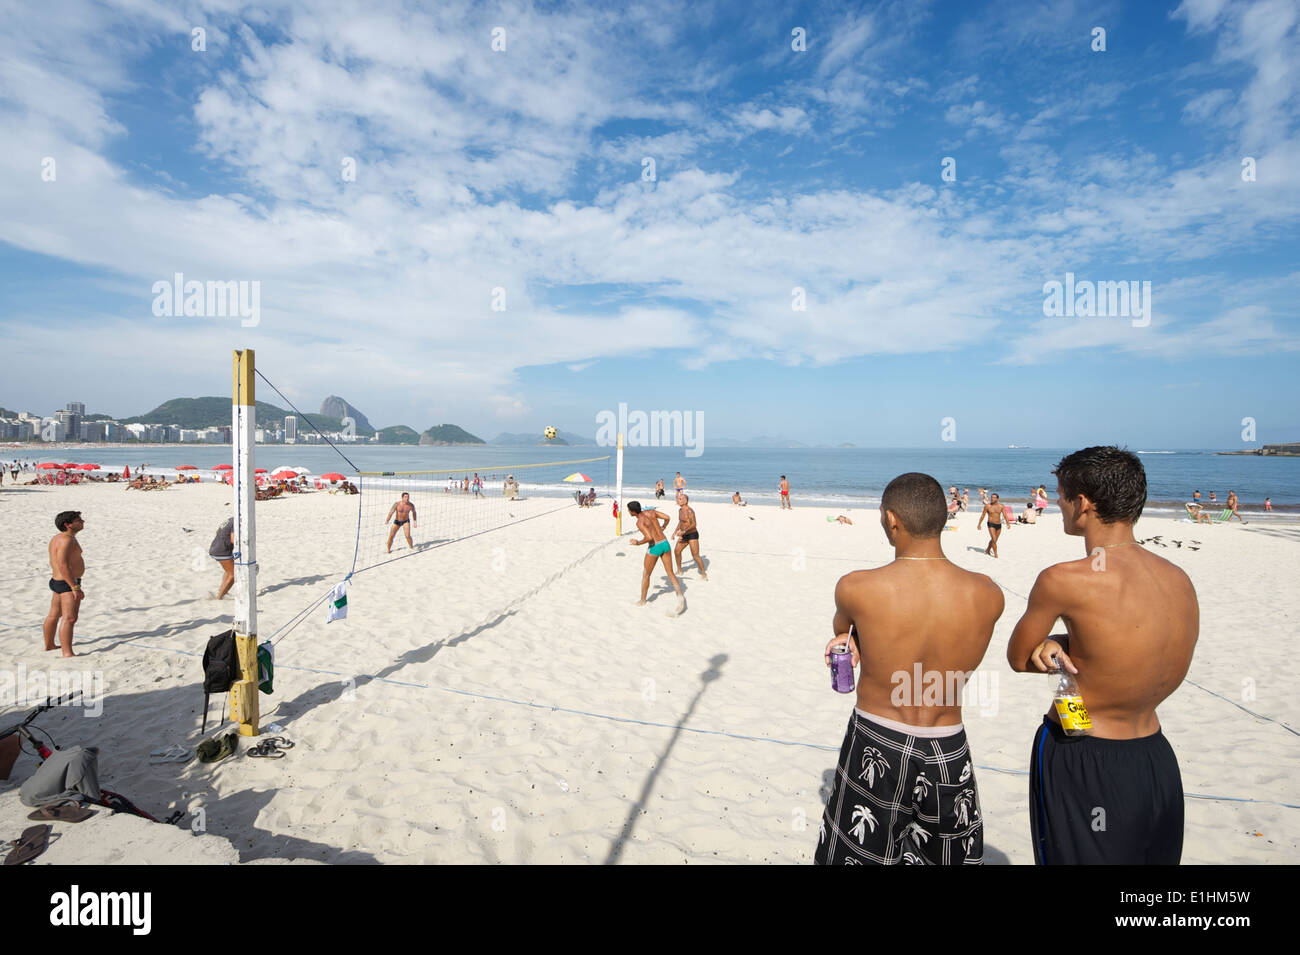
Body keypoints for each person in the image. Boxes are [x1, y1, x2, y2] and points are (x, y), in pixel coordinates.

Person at [1007, 446, 1198, 864]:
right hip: (1154, 757)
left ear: (1083, 504)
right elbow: (1133, 646)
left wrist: (1057, 640)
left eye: (1060, 496)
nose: (1056, 504)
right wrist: (1070, 641)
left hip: (1085, 753)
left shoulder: (1064, 579)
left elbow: (1020, 656)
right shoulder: (1177, 579)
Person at [815, 472, 1005, 865]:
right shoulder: (988, 594)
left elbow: (849, 638)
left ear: (891, 519)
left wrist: (850, 648)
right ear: (943, 518)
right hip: (947, 744)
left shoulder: (857, 587)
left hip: (876, 739)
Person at [627, 501, 684, 616]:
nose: (628, 511)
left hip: (655, 546)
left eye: (629, 510)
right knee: (670, 572)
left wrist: (637, 542)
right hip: (665, 543)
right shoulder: (651, 512)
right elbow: (667, 518)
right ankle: (680, 597)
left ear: (633, 512)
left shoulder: (639, 522)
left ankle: (643, 600)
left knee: (646, 574)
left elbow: (648, 537)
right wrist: (663, 527)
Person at [44, 511, 86, 657]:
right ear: (67, 525)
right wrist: (74, 587)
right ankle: (67, 653)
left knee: (53, 615)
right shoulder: (66, 540)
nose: (82, 521)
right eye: (78, 520)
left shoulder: (58, 538)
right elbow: (63, 565)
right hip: (67, 583)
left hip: (57, 581)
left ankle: (49, 645)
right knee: (70, 618)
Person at [672, 493, 708, 580]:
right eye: (678, 498)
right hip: (683, 535)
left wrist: (684, 531)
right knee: (677, 551)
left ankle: (703, 573)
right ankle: (679, 570)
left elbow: (694, 524)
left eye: (680, 499)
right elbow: (681, 522)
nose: (678, 500)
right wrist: (675, 532)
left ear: (685, 501)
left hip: (692, 535)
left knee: (695, 556)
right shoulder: (680, 510)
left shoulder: (689, 511)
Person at [208, 516, 235, 599]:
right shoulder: (237, 521)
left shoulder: (230, 519)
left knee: (229, 571)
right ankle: (220, 597)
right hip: (222, 551)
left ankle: (222, 591)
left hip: (215, 547)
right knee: (234, 574)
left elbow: (217, 531)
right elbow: (233, 540)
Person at [977, 493, 1006, 557]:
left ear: (997, 499)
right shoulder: (987, 506)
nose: (992, 499)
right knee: (994, 539)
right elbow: (982, 516)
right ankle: (996, 554)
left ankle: (987, 550)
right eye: (991, 497)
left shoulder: (1001, 506)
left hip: (999, 524)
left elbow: (1005, 515)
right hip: (991, 524)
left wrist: (1008, 523)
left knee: (994, 539)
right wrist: (979, 524)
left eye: (994, 497)